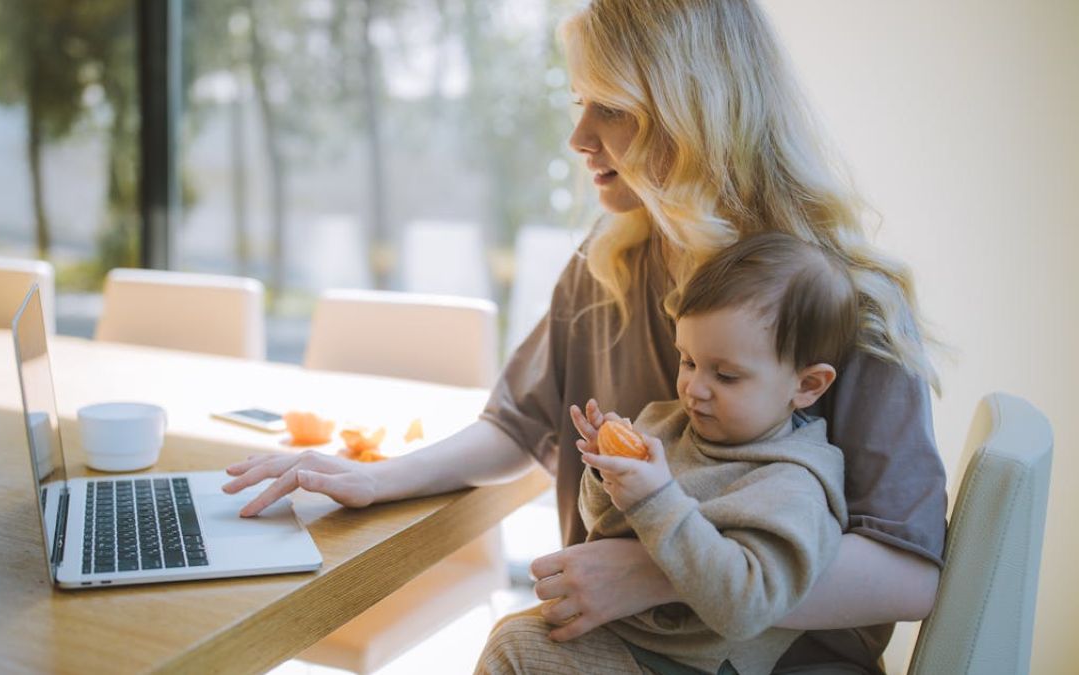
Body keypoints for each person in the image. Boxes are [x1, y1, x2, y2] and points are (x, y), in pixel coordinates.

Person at [222, 0, 946, 671]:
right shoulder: (610, 260)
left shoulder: (846, 301)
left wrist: (658, 573)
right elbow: (518, 423)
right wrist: (378, 477)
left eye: (613, 108)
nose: (578, 137)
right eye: (579, 103)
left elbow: (909, 572)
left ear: (695, 113)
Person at [477, 232, 857, 675]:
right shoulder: (668, 423)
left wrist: (656, 499)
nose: (694, 388)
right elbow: (604, 529)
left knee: (516, 648)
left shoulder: (792, 484)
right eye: (688, 361)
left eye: (727, 375)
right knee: (518, 632)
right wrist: (607, 475)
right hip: (628, 638)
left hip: (691, 665)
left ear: (807, 385)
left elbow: (747, 607)